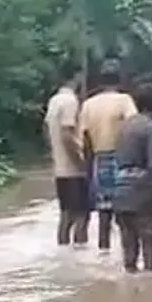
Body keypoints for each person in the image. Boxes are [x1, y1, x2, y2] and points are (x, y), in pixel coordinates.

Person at [78, 60, 137, 252]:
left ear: (100, 81)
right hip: (123, 160)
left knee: (104, 214)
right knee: (126, 214)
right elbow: (133, 129)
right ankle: (127, 257)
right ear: (120, 80)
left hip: (99, 160)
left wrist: (88, 169)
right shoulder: (125, 100)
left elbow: (85, 139)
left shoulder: (88, 104)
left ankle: (104, 253)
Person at [113, 82, 152, 273]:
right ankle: (150, 285)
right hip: (142, 187)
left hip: (120, 185)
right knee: (149, 241)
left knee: (128, 245)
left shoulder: (124, 126)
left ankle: (131, 285)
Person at [44, 67, 87, 246]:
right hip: (74, 170)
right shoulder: (70, 101)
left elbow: (46, 131)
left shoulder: (54, 100)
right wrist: (81, 162)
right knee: (82, 214)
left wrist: (56, 154)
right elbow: (66, 134)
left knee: (66, 215)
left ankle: (63, 253)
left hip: (60, 169)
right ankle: (80, 253)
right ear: (77, 77)